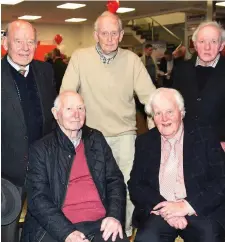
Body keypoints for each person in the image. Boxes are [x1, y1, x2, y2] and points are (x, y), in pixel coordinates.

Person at [60, 11, 156, 236]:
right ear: (96, 35)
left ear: (122, 35)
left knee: (127, 187)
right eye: (105, 33)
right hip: (91, 136)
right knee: (94, 187)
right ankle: (96, 231)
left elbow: (150, 97)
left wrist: (158, 119)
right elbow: (66, 93)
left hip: (124, 135)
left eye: (115, 33)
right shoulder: (80, 58)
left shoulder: (132, 60)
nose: (110, 38)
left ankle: (124, 231)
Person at [21, 91, 129, 242]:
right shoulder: (41, 149)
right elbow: (38, 199)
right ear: (55, 113)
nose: (76, 114)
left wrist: (114, 216)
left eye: (80, 108)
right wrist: (67, 233)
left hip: (101, 224)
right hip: (58, 226)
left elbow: (115, 180)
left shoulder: (96, 140)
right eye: (69, 109)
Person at [128, 88, 225, 242]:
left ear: (181, 112)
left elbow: (221, 180)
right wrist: (166, 210)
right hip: (160, 211)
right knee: (146, 238)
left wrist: (186, 207)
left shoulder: (204, 135)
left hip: (198, 209)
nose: (164, 118)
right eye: (158, 113)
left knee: (210, 237)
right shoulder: (144, 142)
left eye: (169, 112)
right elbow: (135, 184)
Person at [1, 20, 55, 242]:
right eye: (18, 41)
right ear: (5, 43)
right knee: (7, 232)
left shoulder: (45, 71)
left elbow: (52, 116)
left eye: (30, 42)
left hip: (43, 169)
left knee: (44, 228)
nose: (25, 47)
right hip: (6, 173)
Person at [172, 21, 225, 151]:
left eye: (213, 42)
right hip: (185, 145)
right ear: (195, 45)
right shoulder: (181, 69)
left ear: (221, 45)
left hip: (219, 147)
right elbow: (173, 104)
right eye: (202, 42)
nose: (207, 47)